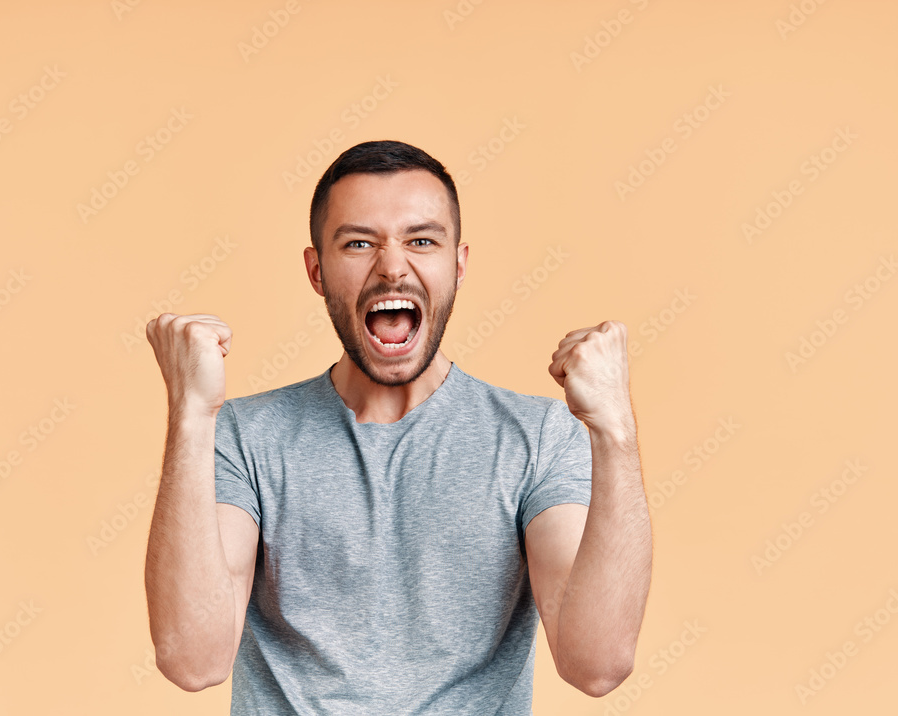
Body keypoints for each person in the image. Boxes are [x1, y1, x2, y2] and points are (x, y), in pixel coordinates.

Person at [144, 140, 652, 714]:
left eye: (422, 241)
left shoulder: (538, 438)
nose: (391, 266)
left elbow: (597, 665)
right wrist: (191, 415)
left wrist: (615, 430)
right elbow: (194, 660)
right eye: (359, 243)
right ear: (316, 270)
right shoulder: (244, 436)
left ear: (458, 266)